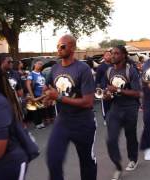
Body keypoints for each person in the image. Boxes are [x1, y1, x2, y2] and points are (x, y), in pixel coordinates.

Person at [43, 35, 97, 180]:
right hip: (63, 121)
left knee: (87, 162)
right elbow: (47, 87)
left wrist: (59, 97)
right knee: (53, 159)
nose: (59, 49)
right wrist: (48, 96)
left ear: (72, 48)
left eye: (63, 46)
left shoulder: (83, 69)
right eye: (58, 46)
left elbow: (88, 102)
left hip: (83, 122)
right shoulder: (54, 68)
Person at [104, 45, 141, 180]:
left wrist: (118, 90)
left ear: (124, 55)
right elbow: (109, 91)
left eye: (116, 53)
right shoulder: (108, 71)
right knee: (110, 139)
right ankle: (118, 166)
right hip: (115, 108)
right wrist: (107, 95)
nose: (113, 55)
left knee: (130, 135)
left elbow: (138, 93)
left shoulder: (131, 71)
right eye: (112, 53)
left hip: (130, 108)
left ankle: (133, 158)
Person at [26, 60, 46, 129]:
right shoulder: (31, 74)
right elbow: (28, 84)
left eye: (41, 64)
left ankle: (40, 122)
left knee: (41, 109)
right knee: (36, 110)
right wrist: (32, 95)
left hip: (42, 94)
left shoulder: (41, 74)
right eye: (39, 63)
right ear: (35, 64)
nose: (40, 65)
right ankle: (37, 123)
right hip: (35, 94)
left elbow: (43, 84)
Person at [95, 50, 112, 125]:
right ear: (104, 57)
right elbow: (97, 79)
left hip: (113, 87)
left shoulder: (114, 65)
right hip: (104, 88)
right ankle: (105, 119)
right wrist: (98, 90)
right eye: (107, 55)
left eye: (109, 55)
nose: (108, 56)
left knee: (114, 104)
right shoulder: (100, 67)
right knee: (105, 104)